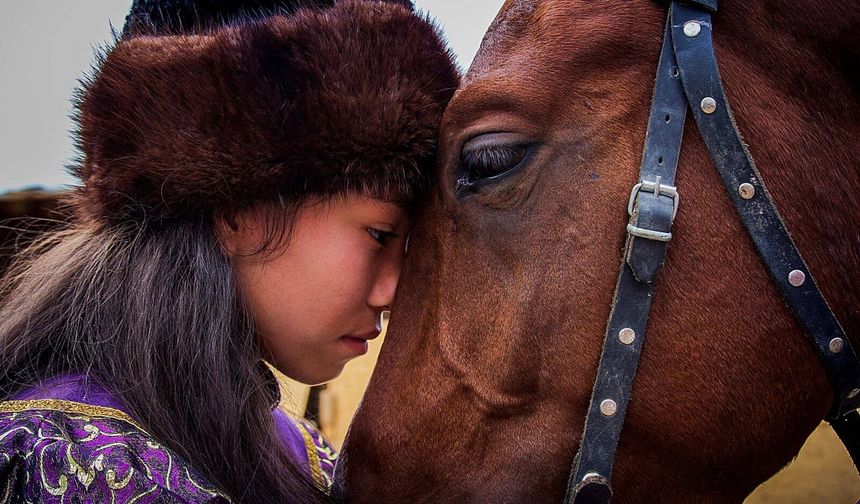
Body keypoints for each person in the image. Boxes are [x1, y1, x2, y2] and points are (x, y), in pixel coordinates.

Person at [0, 0, 459, 501]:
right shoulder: (57, 462)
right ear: (238, 208)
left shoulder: (313, 462)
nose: (393, 293)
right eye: (381, 234)